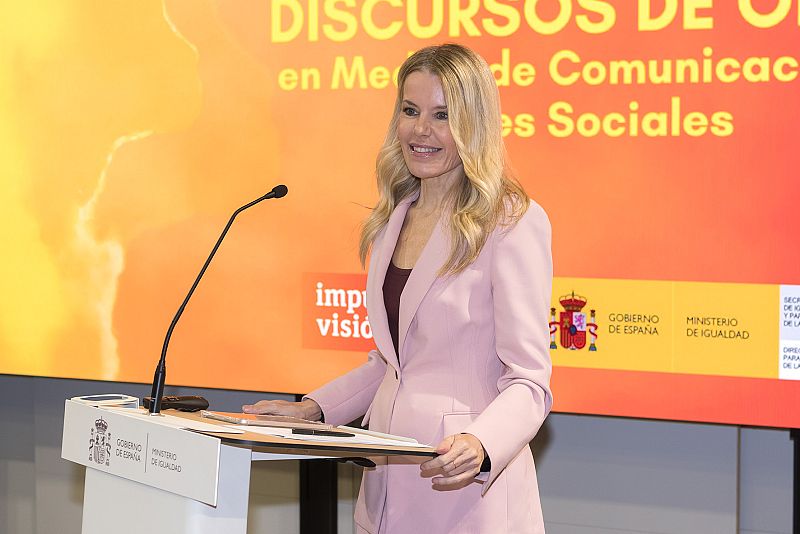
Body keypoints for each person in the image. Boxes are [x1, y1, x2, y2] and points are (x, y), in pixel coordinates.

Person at [244, 43, 553, 534]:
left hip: (466, 494)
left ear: (474, 125)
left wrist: (482, 443)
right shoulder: (396, 215)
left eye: (442, 115)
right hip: (386, 488)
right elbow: (395, 364)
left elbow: (529, 381)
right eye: (410, 111)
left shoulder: (511, 222)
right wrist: (315, 409)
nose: (420, 130)